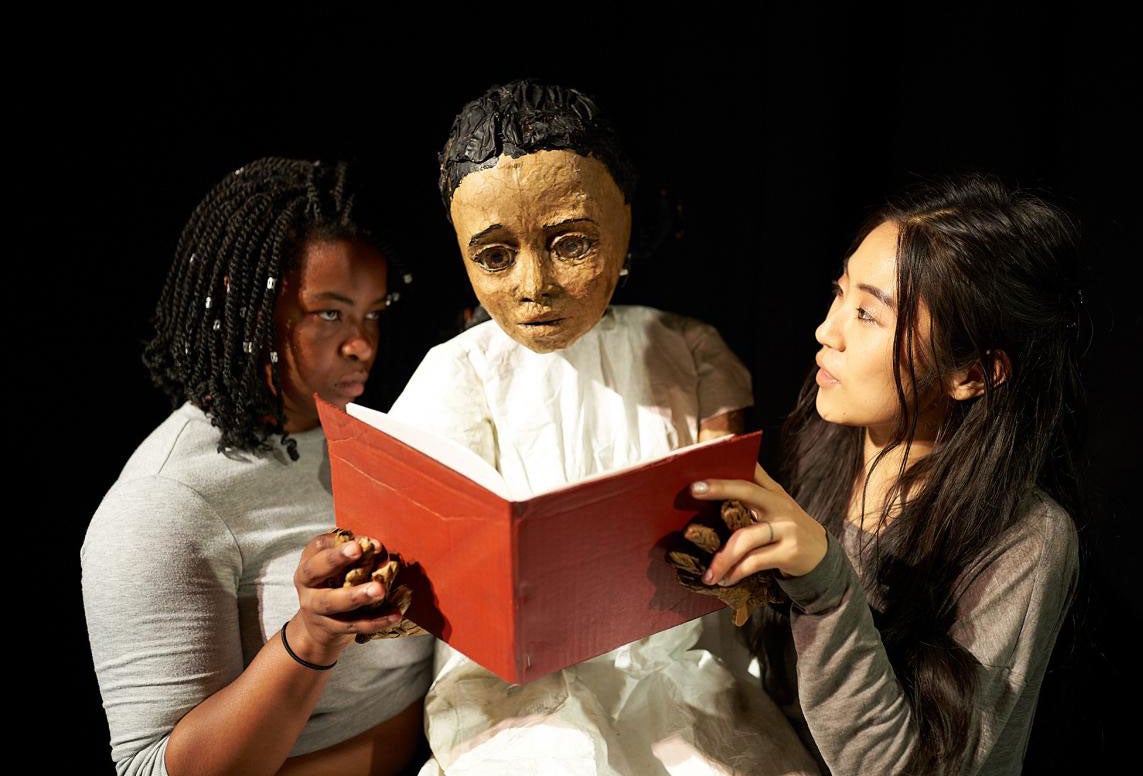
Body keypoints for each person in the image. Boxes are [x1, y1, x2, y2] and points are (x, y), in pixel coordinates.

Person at [388, 80, 816, 774]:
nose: (534, 286)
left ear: (622, 226)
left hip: (682, 672)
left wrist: (733, 553)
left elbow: (730, 497)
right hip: (512, 688)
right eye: (494, 256)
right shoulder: (457, 373)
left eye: (570, 243)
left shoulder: (689, 350)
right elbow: (424, 550)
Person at [688, 174, 1085, 775]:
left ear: (973, 374)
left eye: (869, 314)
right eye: (839, 293)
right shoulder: (825, 444)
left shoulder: (1027, 541)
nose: (827, 331)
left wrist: (825, 586)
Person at [81, 157, 433, 776]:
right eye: (330, 312)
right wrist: (309, 638)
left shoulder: (364, 435)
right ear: (244, 305)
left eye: (372, 313)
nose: (362, 344)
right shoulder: (163, 502)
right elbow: (147, 768)